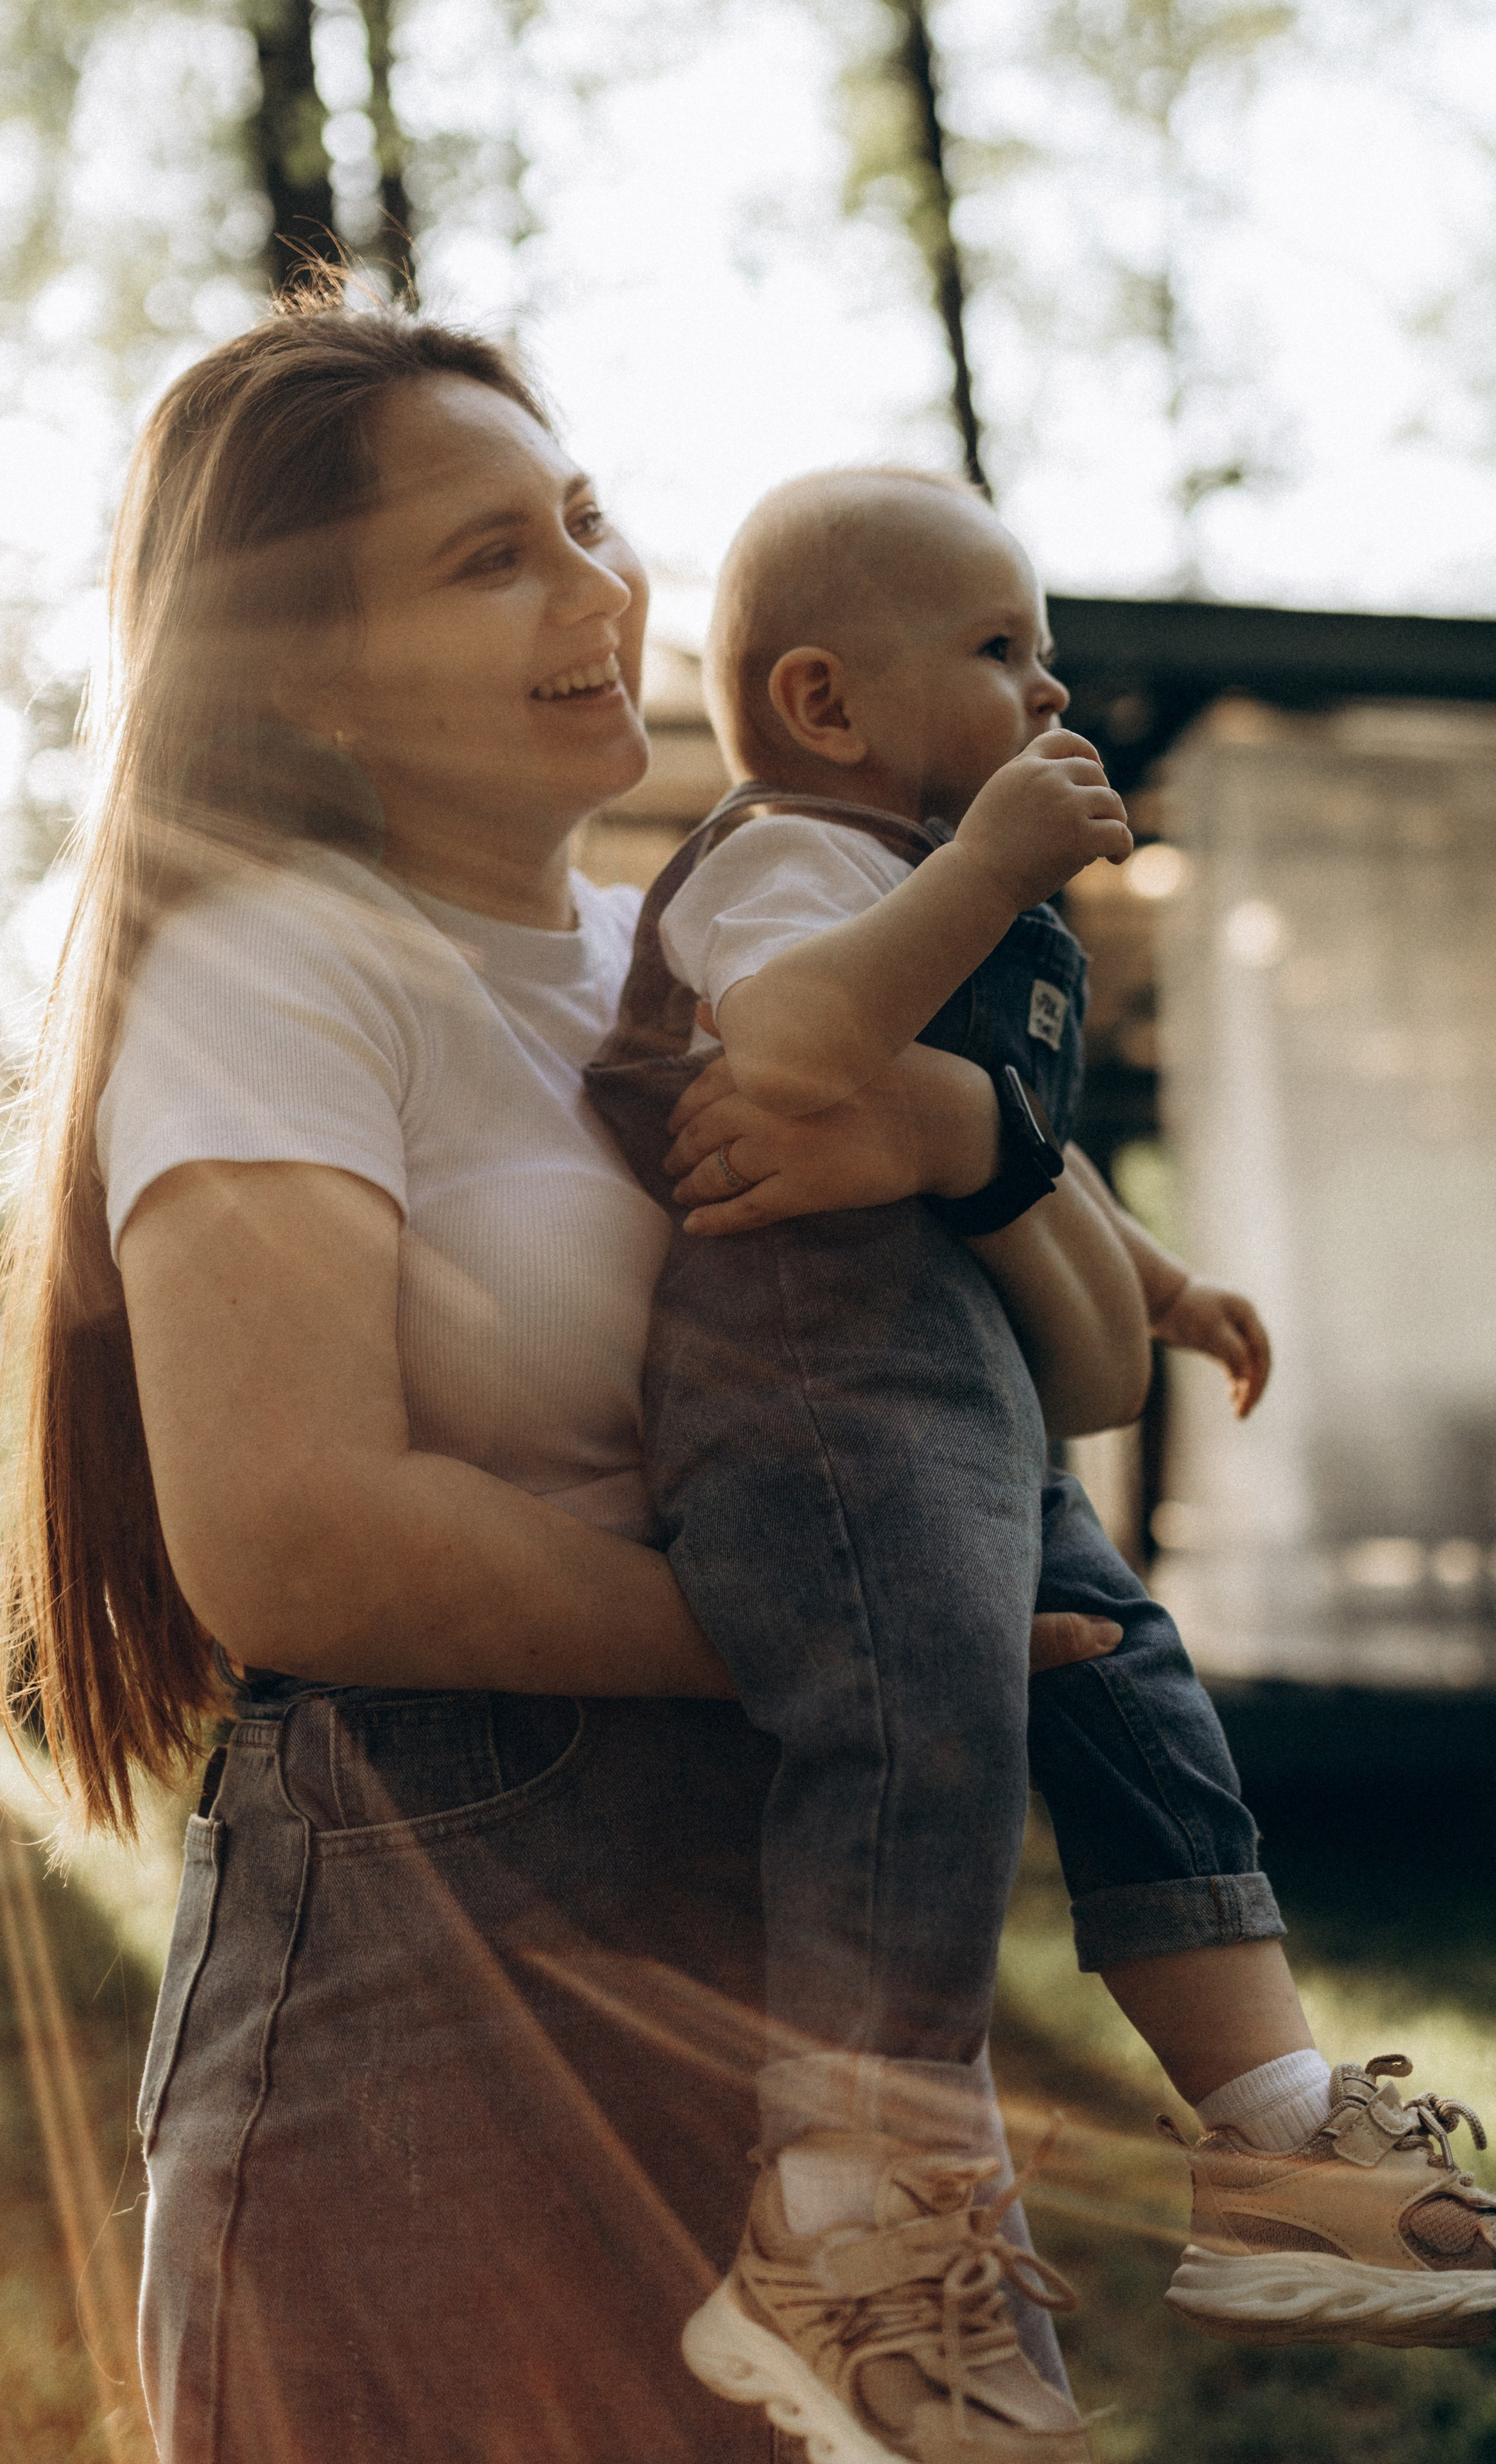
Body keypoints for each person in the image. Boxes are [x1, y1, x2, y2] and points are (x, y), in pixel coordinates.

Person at [0, 302, 1144, 2464]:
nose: (599, 591)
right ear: (307, 675)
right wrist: (841, 1644)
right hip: (438, 1989)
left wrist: (967, 1138)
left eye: (588, 519)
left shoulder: (722, 957)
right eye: (488, 559)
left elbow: (1086, 1369)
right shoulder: (274, 968)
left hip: (803, 1971)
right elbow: (293, 1539)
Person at [587, 466, 1496, 2456]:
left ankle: (1281, 2150)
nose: (1050, 691)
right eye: (1000, 650)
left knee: (1142, 1709)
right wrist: (983, 869)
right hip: (815, 1413)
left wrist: (1166, 1283)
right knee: (919, 1750)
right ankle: (841, 2226)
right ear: (823, 701)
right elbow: (792, 1053)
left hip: (977, 1416)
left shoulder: (960, 897)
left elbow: (1017, 1148)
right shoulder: (787, 854)